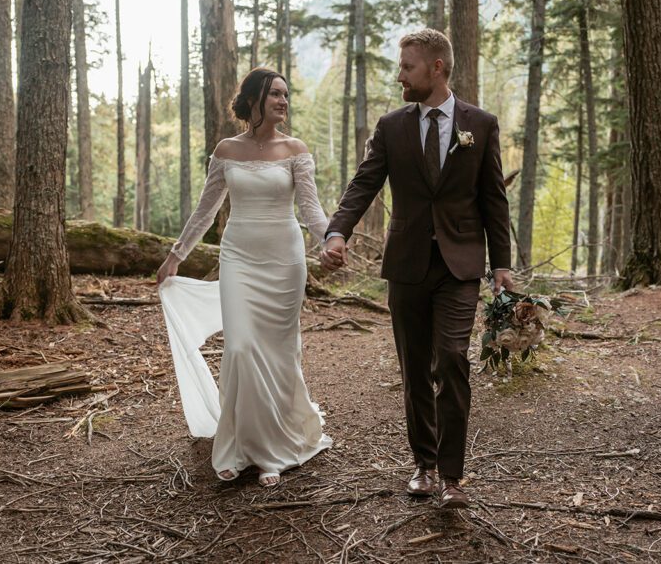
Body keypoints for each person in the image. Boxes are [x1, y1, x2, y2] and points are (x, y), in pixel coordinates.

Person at [321, 29, 513, 509]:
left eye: (407, 66)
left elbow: (494, 199)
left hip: (459, 264)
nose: (400, 74)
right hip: (406, 265)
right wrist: (336, 232)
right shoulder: (392, 126)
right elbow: (363, 184)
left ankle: (452, 476)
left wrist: (502, 265)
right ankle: (424, 467)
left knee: (451, 358)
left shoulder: (481, 125)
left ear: (437, 68)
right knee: (414, 370)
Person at [156, 68, 332, 488]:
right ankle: (238, 444)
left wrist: (331, 241)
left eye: (286, 95)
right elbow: (206, 210)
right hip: (239, 257)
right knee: (239, 348)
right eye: (275, 93)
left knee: (278, 353)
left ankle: (273, 449)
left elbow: (310, 210)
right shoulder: (227, 150)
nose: (283, 101)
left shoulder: (295, 149)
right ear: (254, 98)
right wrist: (176, 255)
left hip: (285, 262)